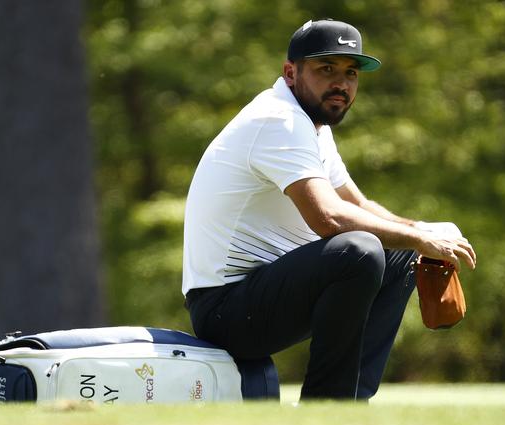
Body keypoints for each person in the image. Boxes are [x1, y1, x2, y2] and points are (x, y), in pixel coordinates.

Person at [182, 19, 476, 400]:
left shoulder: (313, 125)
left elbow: (358, 204)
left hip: (264, 296)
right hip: (224, 311)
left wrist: (423, 230)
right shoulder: (279, 120)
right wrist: (421, 237)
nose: (342, 83)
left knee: (399, 250)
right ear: (291, 72)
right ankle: (328, 405)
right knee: (360, 251)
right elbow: (330, 219)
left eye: (350, 73)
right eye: (326, 69)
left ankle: (354, 399)